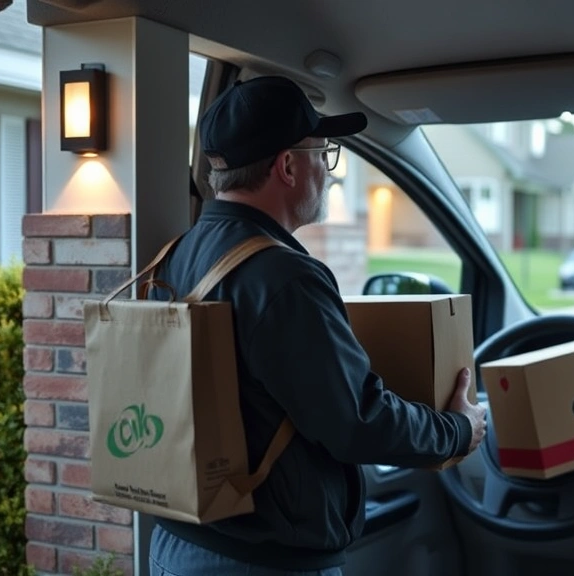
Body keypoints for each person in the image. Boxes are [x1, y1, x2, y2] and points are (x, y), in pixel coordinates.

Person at [146, 75, 488, 576]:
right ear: (287, 165)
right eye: (323, 153)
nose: (329, 173)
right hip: (259, 562)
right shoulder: (283, 276)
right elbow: (357, 422)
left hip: (178, 544)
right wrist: (458, 430)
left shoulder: (176, 255)